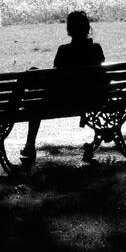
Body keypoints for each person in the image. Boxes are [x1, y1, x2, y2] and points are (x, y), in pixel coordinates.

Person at [19, 10, 105, 165]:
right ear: (87, 28)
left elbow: (55, 80)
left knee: (34, 103)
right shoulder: (96, 49)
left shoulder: (64, 51)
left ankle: (30, 145)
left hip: (64, 102)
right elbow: (102, 78)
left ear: (69, 30)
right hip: (92, 100)